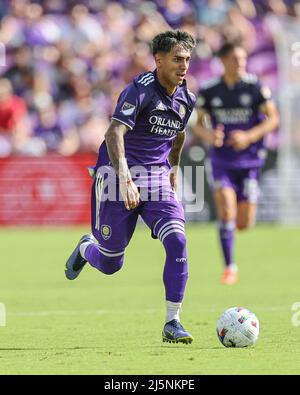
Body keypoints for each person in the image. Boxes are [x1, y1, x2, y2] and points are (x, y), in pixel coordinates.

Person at [65, 30, 196, 344]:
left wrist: (174, 168)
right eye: (177, 59)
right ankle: (86, 248)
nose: (184, 66)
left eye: (188, 60)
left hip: (156, 179)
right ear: (159, 60)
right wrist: (125, 179)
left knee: (177, 240)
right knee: (111, 263)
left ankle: (172, 322)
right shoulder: (140, 90)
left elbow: (178, 135)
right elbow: (114, 134)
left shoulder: (187, 98)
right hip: (115, 177)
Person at [193, 41, 279, 285]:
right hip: (222, 160)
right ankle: (229, 266)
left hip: (250, 160)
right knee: (226, 210)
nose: (240, 63)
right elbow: (198, 124)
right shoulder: (210, 90)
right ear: (223, 61)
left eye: (243, 59)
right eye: (235, 59)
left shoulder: (254, 87)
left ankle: (232, 236)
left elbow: (273, 119)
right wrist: (210, 136)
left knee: (244, 222)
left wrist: (249, 136)